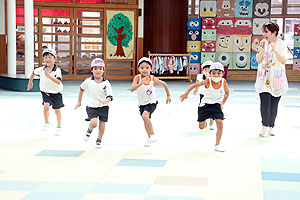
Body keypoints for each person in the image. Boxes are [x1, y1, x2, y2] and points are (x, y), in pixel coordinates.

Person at [180, 62, 229, 152]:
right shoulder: (207, 81)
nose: (216, 75)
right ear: (210, 74)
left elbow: (227, 94)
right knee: (201, 127)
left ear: (222, 74)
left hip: (216, 105)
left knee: (220, 123)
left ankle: (217, 144)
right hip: (204, 105)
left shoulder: (223, 82)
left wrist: (222, 103)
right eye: (214, 73)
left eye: (219, 73)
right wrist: (186, 93)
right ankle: (205, 123)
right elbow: (194, 85)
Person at [255, 21, 288, 137]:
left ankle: (271, 126)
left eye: (266, 32)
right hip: (264, 78)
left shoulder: (282, 44)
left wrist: (274, 48)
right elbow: (258, 60)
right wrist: (263, 50)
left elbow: (283, 61)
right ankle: (264, 126)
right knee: (264, 103)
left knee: (274, 105)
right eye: (263, 32)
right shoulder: (263, 43)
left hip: (277, 78)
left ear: (274, 32)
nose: (264, 34)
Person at [130, 57, 171, 147]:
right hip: (142, 103)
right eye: (142, 67)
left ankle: (152, 134)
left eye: (147, 68)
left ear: (151, 68)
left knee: (145, 116)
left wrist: (168, 95)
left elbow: (164, 84)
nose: (144, 70)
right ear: (138, 69)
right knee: (145, 120)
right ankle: (149, 137)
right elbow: (132, 89)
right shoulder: (137, 78)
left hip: (151, 102)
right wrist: (141, 83)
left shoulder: (152, 78)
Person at [74, 58, 113, 149]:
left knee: (102, 124)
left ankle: (99, 140)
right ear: (92, 70)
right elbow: (81, 88)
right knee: (94, 123)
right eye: (95, 69)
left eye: (100, 68)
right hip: (91, 106)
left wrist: (105, 101)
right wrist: (79, 101)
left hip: (103, 106)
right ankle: (89, 130)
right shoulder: (88, 81)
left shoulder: (106, 83)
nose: (98, 71)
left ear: (103, 70)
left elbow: (110, 96)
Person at [27, 48, 64, 136]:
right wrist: (30, 82)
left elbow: (58, 82)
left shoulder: (57, 70)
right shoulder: (40, 69)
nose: (48, 59)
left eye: (50, 57)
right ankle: (46, 122)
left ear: (55, 59)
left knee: (57, 110)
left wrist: (48, 76)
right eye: (46, 57)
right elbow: (33, 73)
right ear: (43, 59)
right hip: (45, 91)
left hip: (56, 92)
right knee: (46, 105)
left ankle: (59, 126)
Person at [193, 60, 215, 130]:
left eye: (209, 69)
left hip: (212, 95)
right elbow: (197, 83)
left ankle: (211, 123)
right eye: (205, 69)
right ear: (203, 69)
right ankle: (204, 121)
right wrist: (196, 89)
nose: (207, 71)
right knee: (203, 109)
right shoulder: (199, 76)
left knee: (213, 109)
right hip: (202, 95)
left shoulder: (214, 77)